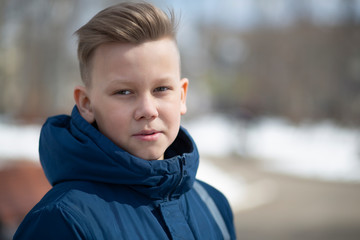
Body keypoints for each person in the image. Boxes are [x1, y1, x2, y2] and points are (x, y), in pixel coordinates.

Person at [13, 2, 236, 239]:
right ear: (87, 104)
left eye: (161, 88)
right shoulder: (62, 220)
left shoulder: (213, 205)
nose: (147, 110)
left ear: (181, 96)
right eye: (124, 92)